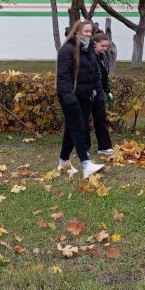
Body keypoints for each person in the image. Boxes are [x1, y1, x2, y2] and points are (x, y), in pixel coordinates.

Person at [56, 20, 106, 178]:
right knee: (78, 127)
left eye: (91, 32)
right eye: (86, 31)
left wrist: (98, 93)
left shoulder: (89, 49)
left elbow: (95, 73)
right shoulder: (66, 50)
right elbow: (63, 77)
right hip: (69, 97)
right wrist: (69, 98)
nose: (89, 34)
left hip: (85, 97)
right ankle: (86, 164)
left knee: (72, 129)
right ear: (77, 31)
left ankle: (63, 161)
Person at [90, 31, 115, 157]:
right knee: (83, 122)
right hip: (88, 94)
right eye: (102, 46)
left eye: (106, 46)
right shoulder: (89, 57)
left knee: (101, 120)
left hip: (99, 94)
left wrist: (107, 91)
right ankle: (83, 148)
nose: (105, 49)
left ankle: (104, 147)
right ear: (95, 43)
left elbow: (104, 76)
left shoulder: (103, 57)